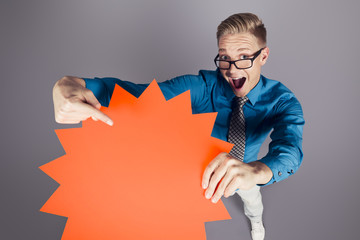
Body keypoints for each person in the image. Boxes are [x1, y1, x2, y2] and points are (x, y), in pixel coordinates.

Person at [52, 13, 304, 240]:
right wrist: (71, 83)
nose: (232, 70)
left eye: (244, 57)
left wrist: (256, 171)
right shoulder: (204, 85)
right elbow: (142, 95)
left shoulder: (282, 101)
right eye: (225, 58)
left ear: (264, 55)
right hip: (198, 168)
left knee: (253, 201)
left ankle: (255, 220)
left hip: (246, 169)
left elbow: (290, 148)